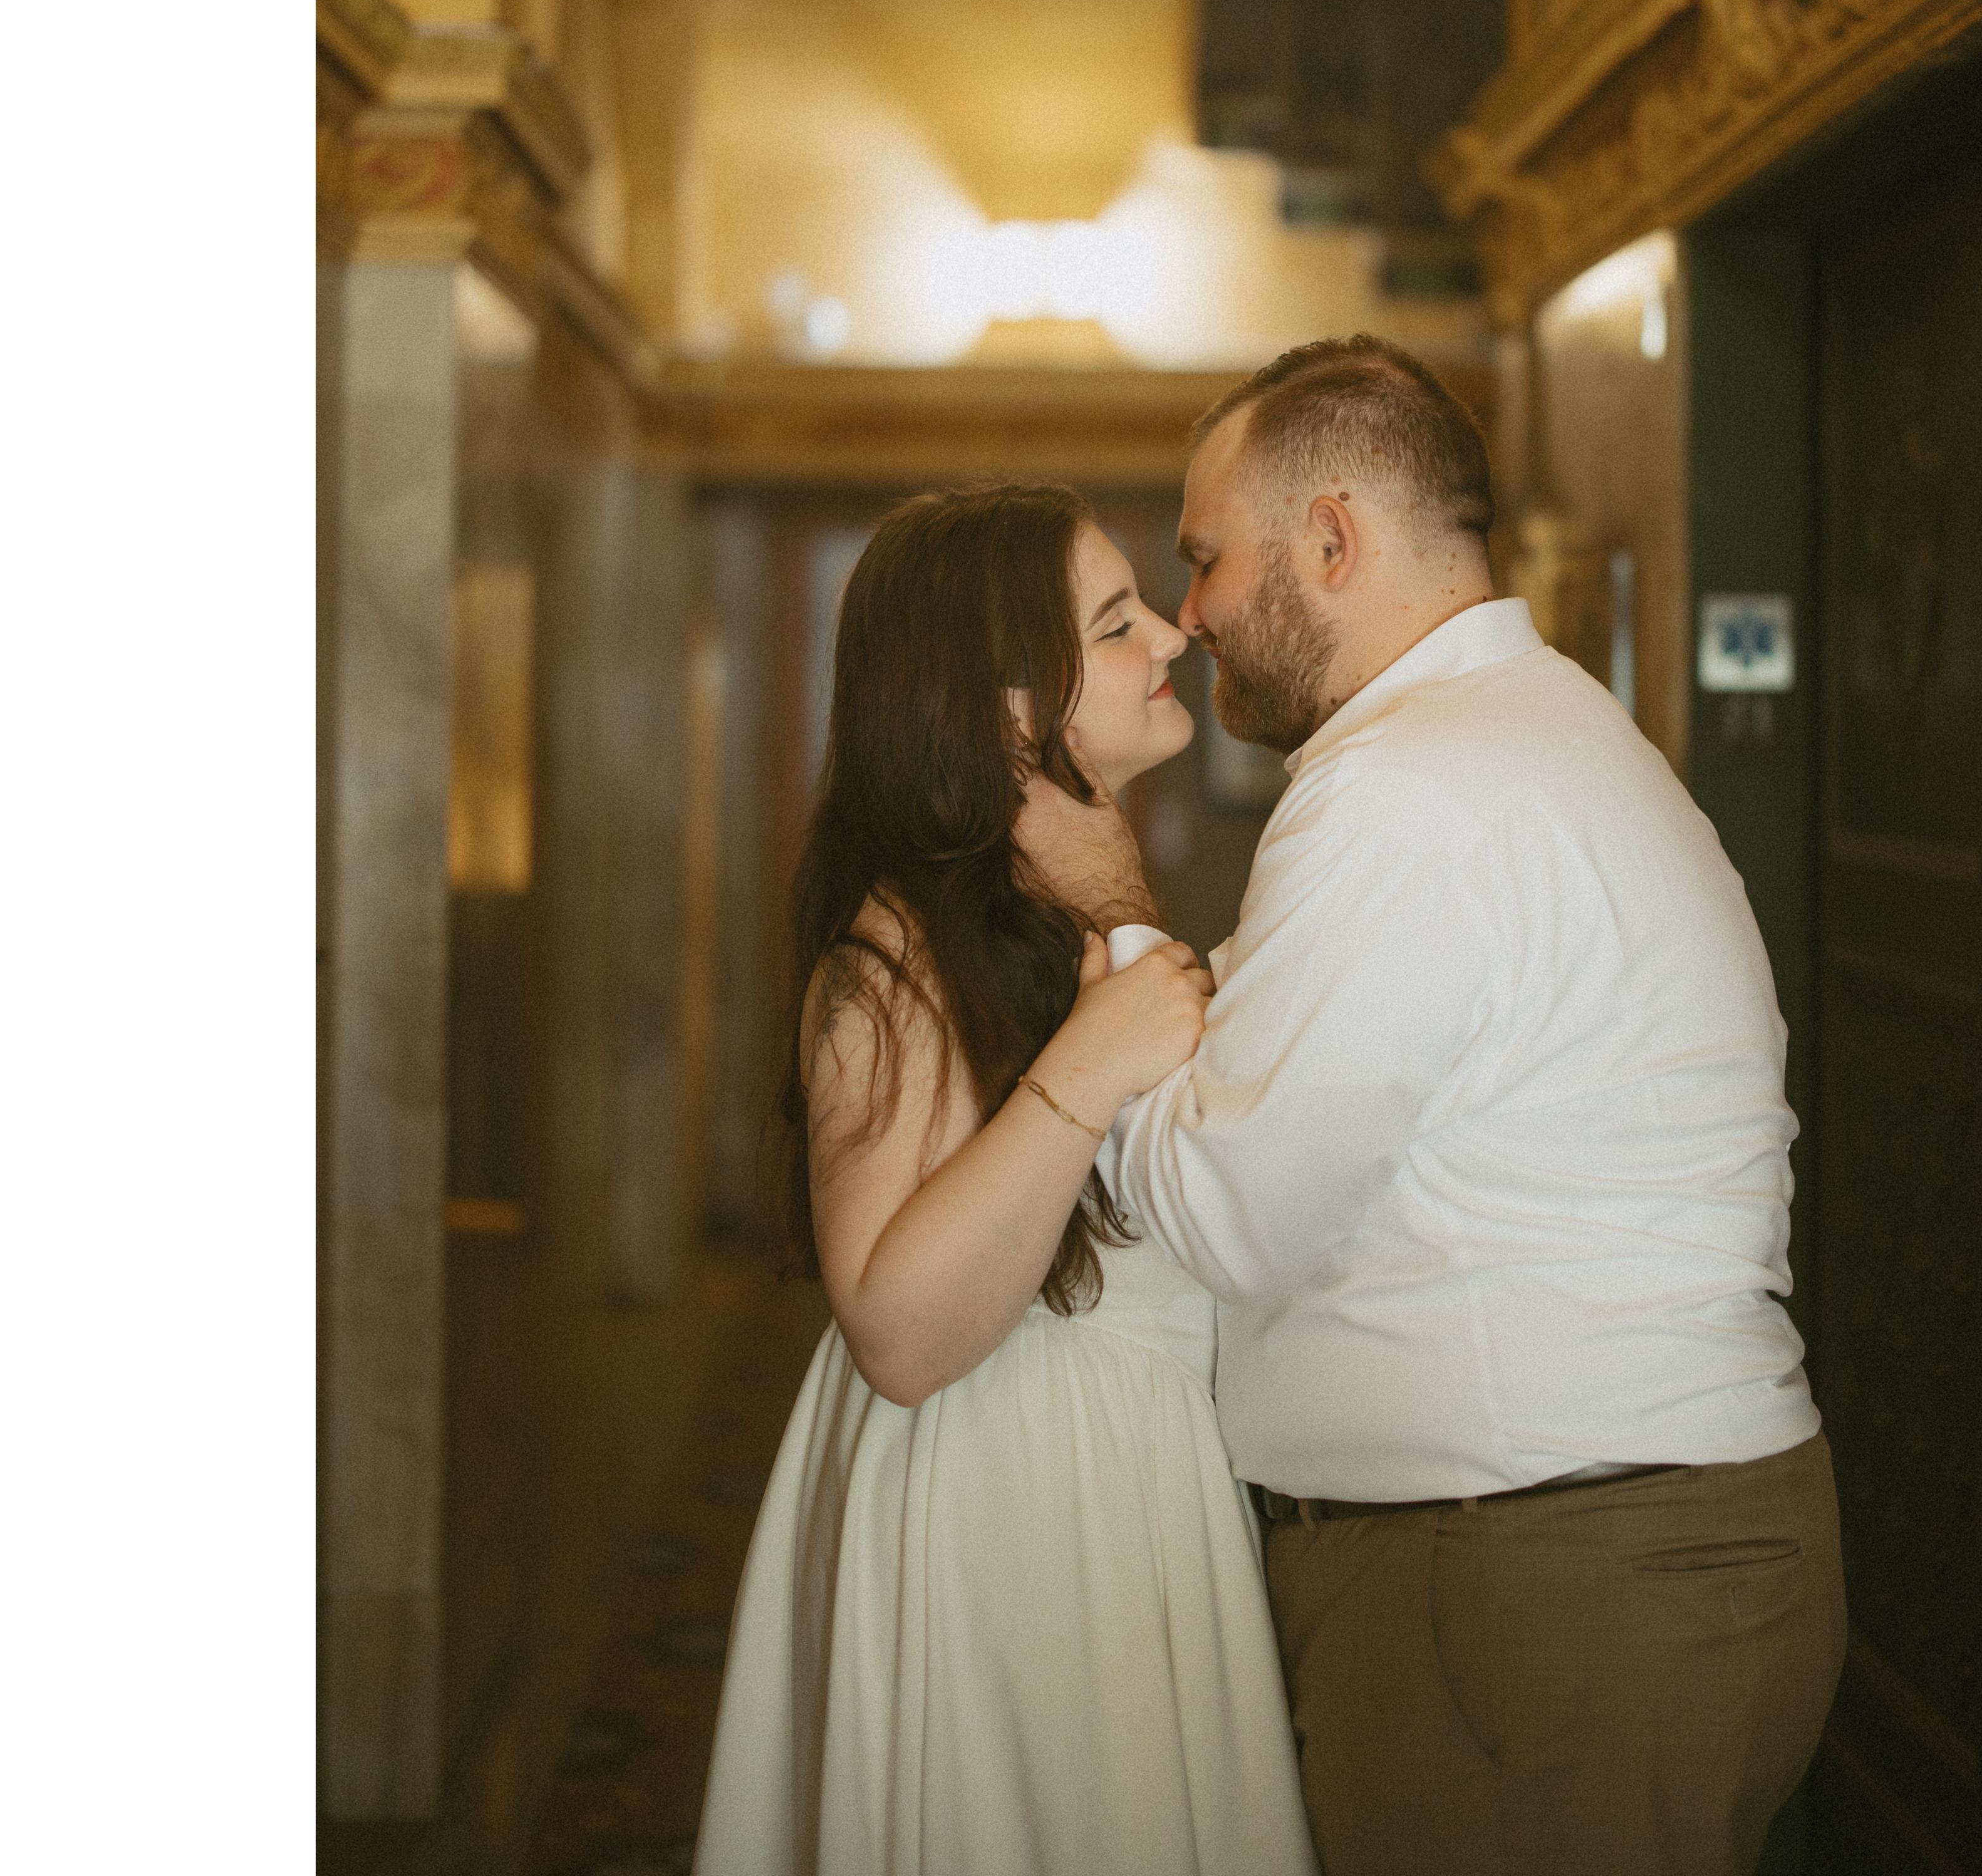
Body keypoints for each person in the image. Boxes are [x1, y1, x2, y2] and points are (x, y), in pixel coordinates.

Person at [1026, 336, 1848, 1876]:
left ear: (1331, 538)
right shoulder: (1525, 732)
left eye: (1204, 558)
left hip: (1538, 1579)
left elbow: (1228, 1216)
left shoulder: (1409, 787)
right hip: (1604, 1552)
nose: (1191, 616)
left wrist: (1111, 912)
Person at [691, 482, 1319, 1876]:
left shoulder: (1051, 915)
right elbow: (900, 1333)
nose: (1171, 635)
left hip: (1113, 1483)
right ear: (1005, 713)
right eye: (1116, 622)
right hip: (1008, 1500)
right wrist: (1089, 1060)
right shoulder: (896, 956)